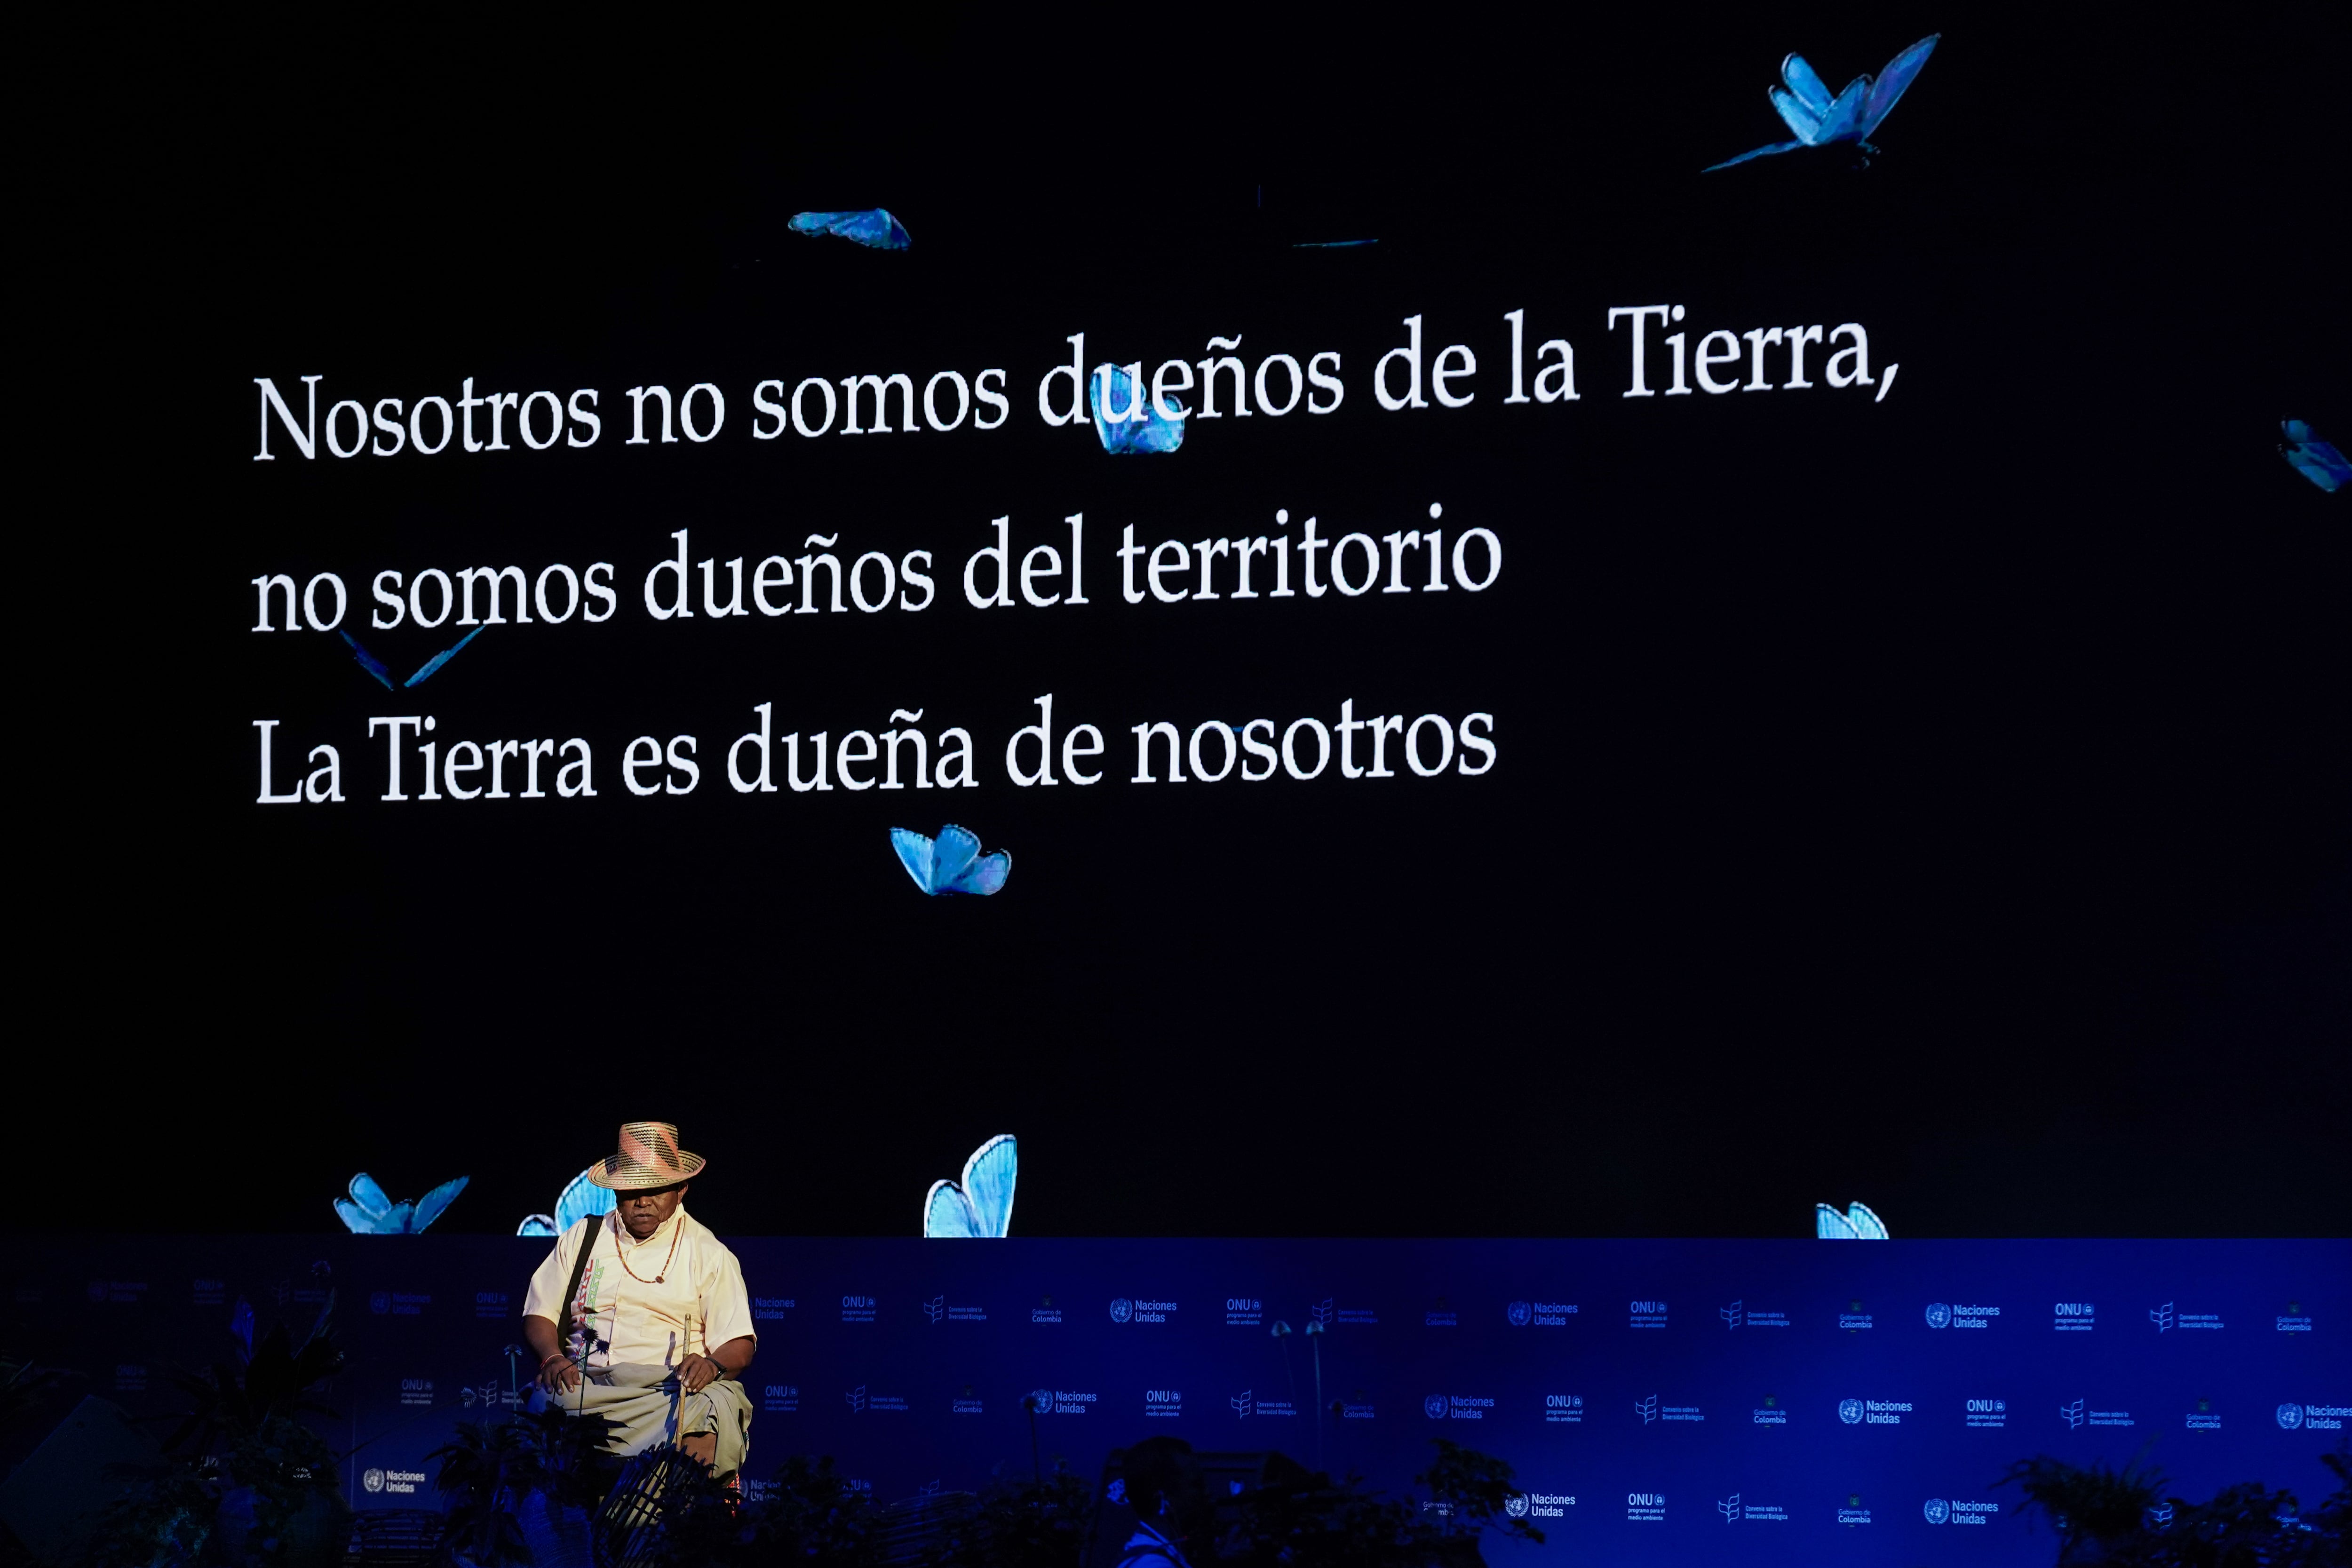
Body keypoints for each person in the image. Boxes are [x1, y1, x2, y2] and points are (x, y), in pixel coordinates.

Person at [521, 1122, 757, 1475]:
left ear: (681, 1190)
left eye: (657, 1189)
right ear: (616, 1192)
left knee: (716, 1405)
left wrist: (712, 1365)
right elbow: (539, 1313)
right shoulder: (584, 1236)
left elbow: (738, 1344)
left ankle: (677, 1518)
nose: (643, 1201)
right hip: (587, 1385)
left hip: (667, 1392)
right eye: (633, 1190)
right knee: (547, 1399)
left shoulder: (708, 1252)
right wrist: (553, 1358)